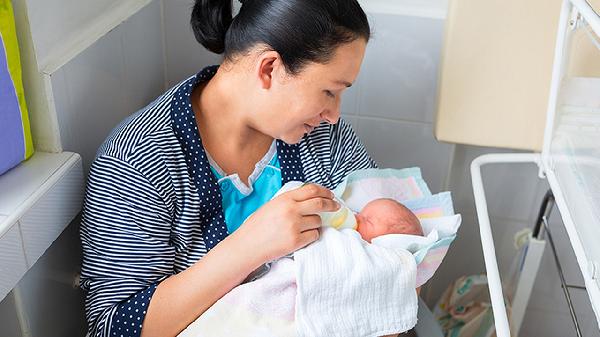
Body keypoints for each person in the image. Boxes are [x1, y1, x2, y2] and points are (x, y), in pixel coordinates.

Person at [79, 0, 375, 336]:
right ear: (269, 68)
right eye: (329, 91)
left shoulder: (324, 136)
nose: (334, 114)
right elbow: (112, 328)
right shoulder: (137, 160)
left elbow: (392, 236)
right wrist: (249, 246)